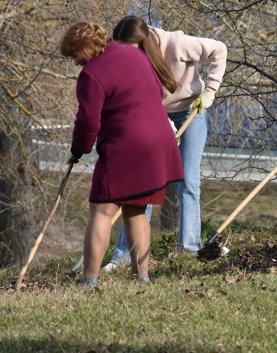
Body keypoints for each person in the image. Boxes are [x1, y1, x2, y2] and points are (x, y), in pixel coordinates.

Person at [60, 21, 184, 286]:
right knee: (136, 211)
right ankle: (142, 277)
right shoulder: (135, 54)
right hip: (159, 143)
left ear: (86, 47)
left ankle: (90, 279)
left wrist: (78, 148)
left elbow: (88, 121)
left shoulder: (92, 74)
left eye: (75, 55)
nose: (75, 62)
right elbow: (156, 93)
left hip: (126, 147)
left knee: (102, 211)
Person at [104, 16, 228, 269]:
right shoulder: (129, 60)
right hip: (156, 115)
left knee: (188, 181)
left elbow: (219, 49)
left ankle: (189, 247)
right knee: (144, 185)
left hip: (191, 112)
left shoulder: (177, 43)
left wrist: (210, 91)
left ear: (143, 43)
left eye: (129, 50)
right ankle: (125, 254)